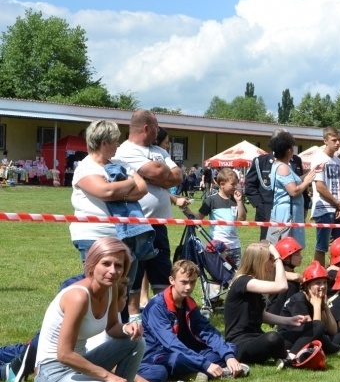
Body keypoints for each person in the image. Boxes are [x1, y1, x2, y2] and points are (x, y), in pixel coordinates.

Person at [34, 238, 148, 382]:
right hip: (52, 373)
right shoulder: (78, 297)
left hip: (79, 365)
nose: (113, 271)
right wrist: (108, 377)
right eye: (106, 263)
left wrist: (127, 329)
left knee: (136, 342)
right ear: (92, 264)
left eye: (119, 265)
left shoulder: (111, 288)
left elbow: (112, 327)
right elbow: (64, 354)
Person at [114, 111, 187, 321]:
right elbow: (158, 172)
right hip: (136, 225)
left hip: (159, 225)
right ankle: (134, 317)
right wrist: (157, 175)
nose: (158, 130)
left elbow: (176, 176)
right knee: (134, 275)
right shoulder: (125, 150)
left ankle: (164, 317)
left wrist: (152, 177)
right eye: (156, 126)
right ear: (146, 127)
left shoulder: (157, 150)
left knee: (163, 273)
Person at [140, 260, 248, 382]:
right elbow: (170, 343)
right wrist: (205, 364)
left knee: (229, 349)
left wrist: (229, 356)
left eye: (192, 282)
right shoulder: (157, 307)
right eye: (184, 282)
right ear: (171, 280)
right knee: (177, 360)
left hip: (188, 350)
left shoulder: (189, 302)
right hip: (160, 354)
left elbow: (207, 331)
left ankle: (197, 371)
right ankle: (204, 370)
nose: (188, 287)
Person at [69, 119, 148, 263]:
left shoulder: (120, 163)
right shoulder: (85, 168)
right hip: (93, 236)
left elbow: (142, 188)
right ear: (104, 143)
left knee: (125, 284)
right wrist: (130, 182)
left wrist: (118, 191)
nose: (118, 145)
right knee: (100, 283)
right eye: (116, 141)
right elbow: (106, 192)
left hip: (125, 234)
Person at [224, 242, 307, 366]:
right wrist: (278, 258)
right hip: (240, 343)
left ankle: (287, 353)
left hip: (258, 337)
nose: (273, 264)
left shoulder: (253, 283)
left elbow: (262, 315)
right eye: (271, 260)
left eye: (273, 260)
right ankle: (288, 356)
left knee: (315, 326)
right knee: (273, 338)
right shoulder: (243, 281)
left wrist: (290, 320)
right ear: (259, 262)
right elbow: (282, 286)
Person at [265, 131, 321, 248]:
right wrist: (306, 183)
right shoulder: (283, 168)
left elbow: (294, 182)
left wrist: (311, 172)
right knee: (287, 249)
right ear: (289, 151)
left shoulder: (279, 165)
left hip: (286, 212)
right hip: (287, 215)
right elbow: (293, 191)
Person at [191, 168, 246, 266]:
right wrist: (185, 209)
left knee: (237, 276)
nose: (235, 187)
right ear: (222, 184)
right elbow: (198, 218)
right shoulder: (211, 200)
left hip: (235, 245)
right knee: (221, 276)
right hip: (219, 247)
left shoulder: (236, 200)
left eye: (236, 184)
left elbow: (242, 218)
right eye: (232, 184)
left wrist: (239, 201)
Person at [310, 127, 340, 265]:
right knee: (322, 246)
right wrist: (338, 204)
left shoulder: (338, 161)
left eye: (339, 140)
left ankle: (336, 273)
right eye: (334, 140)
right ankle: (318, 272)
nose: (337, 143)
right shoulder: (319, 159)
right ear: (325, 140)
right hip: (323, 208)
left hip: (337, 207)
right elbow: (320, 186)